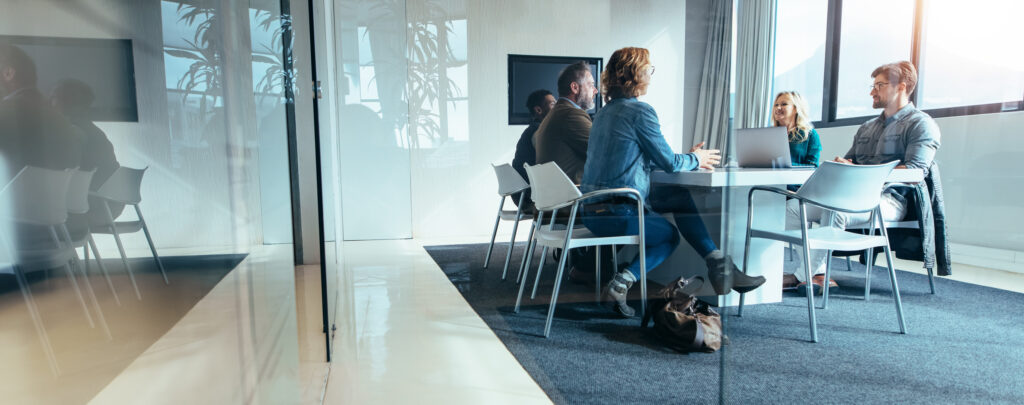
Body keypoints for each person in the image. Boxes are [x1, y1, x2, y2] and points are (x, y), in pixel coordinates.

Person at [581, 47, 765, 317]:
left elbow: (637, 159)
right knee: (669, 237)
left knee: (679, 198)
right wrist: (696, 157)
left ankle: (720, 265)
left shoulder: (602, 115)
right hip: (617, 212)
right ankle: (621, 283)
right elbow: (669, 163)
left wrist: (687, 157)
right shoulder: (640, 112)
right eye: (649, 69)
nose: (650, 75)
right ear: (636, 74)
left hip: (590, 211)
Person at [783, 61, 941, 294]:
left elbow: (916, 172)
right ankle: (817, 272)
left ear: (901, 87)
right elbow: (851, 163)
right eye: (873, 85)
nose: (872, 91)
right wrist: (845, 165)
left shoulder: (921, 124)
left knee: (834, 209)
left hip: (892, 200)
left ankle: (801, 275)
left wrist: (860, 171)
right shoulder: (867, 127)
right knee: (792, 209)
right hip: (850, 197)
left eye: (879, 85)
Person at [50, 78, 123, 233]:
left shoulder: (74, 132)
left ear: (66, 102)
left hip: (90, 208)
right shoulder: (94, 131)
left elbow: (62, 172)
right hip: (108, 206)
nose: (50, 102)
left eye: (54, 97)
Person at [533, 61, 597, 184]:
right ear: (575, 87)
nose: (595, 91)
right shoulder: (570, 115)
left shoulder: (557, 112)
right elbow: (603, 151)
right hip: (574, 199)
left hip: (556, 197)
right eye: (591, 85)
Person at [511, 89, 556, 210]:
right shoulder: (539, 132)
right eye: (552, 104)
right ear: (538, 110)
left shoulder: (532, 129)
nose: (557, 107)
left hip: (522, 195)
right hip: (530, 197)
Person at [771, 91, 821, 169]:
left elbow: (813, 166)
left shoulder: (810, 134)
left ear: (796, 109)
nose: (778, 108)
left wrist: (785, 165)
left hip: (795, 180)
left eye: (784, 104)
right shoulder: (768, 134)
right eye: (776, 105)